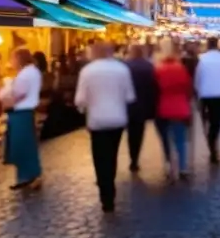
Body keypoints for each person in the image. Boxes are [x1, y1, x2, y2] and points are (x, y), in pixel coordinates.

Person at [75, 42, 135, 212]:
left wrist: (85, 108)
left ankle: (105, 192)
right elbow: (129, 96)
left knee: (99, 157)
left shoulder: (87, 71)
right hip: (117, 118)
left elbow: (80, 100)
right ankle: (110, 186)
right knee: (112, 155)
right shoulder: (122, 70)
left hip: (97, 120)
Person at [0, 47, 43, 191]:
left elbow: (19, 93)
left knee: (22, 145)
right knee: (25, 145)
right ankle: (25, 176)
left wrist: (6, 98)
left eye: (12, 59)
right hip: (24, 111)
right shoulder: (32, 71)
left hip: (21, 112)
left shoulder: (26, 74)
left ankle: (30, 175)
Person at [155, 41, 194, 179]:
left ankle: (168, 165)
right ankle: (182, 167)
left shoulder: (158, 70)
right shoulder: (181, 69)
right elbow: (188, 89)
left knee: (165, 139)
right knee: (180, 139)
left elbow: (155, 90)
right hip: (180, 107)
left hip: (163, 108)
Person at [194, 37, 220, 165]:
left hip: (205, 94)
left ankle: (211, 144)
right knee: (217, 121)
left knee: (207, 121)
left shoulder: (202, 59)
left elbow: (197, 78)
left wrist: (198, 91)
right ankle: (214, 142)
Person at [124, 44, 158, 172]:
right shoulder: (149, 66)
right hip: (143, 106)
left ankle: (131, 157)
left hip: (127, 105)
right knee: (138, 134)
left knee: (129, 133)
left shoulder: (125, 66)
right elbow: (154, 88)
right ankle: (134, 160)